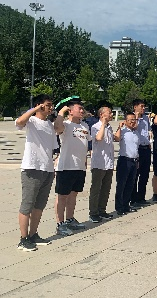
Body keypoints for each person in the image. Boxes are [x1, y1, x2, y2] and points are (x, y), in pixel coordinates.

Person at [15, 94, 58, 251]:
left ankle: (33, 235)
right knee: (27, 204)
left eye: (51, 105)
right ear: (39, 105)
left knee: (39, 205)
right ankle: (23, 239)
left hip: (47, 168)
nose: (50, 107)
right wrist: (34, 109)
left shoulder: (49, 125)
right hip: (32, 168)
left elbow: (53, 147)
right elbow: (19, 122)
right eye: (48, 105)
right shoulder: (31, 121)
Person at [54, 100, 91, 236]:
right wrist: (61, 112)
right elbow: (57, 128)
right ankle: (60, 224)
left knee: (73, 194)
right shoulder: (65, 125)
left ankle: (70, 219)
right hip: (66, 166)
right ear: (70, 111)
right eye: (79, 108)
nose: (82, 110)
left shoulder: (85, 125)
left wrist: (85, 162)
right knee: (62, 196)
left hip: (79, 166)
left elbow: (85, 144)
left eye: (82, 108)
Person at [89, 107, 118, 223]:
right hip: (99, 163)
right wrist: (103, 125)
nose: (111, 115)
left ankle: (102, 210)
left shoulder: (109, 127)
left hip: (108, 163)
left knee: (106, 189)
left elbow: (116, 139)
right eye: (109, 113)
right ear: (101, 114)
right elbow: (99, 138)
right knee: (96, 189)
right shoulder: (95, 127)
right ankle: (93, 212)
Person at [115, 112, 141, 215]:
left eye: (134, 120)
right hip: (124, 160)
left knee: (130, 184)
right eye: (131, 120)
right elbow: (116, 138)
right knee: (121, 185)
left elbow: (136, 148)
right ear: (125, 121)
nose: (133, 122)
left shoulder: (136, 132)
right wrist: (119, 127)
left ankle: (126, 205)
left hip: (134, 160)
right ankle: (119, 207)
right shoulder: (123, 131)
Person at [131, 99, 151, 206]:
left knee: (145, 174)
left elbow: (147, 131)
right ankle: (133, 199)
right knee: (136, 174)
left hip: (146, 147)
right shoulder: (131, 118)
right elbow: (133, 129)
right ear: (135, 107)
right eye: (141, 106)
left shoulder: (146, 118)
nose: (143, 108)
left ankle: (141, 197)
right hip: (137, 148)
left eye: (144, 106)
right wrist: (136, 118)